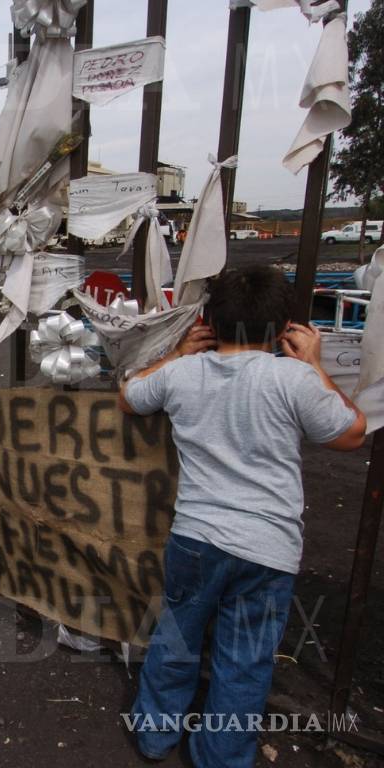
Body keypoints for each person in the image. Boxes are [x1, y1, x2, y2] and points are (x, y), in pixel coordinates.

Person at [117, 265, 367, 766]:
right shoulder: (294, 379)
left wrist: (178, 352)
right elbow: (352, 432)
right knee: (244, 662)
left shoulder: (183, 373)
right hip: (267, 548)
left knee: (177, 638)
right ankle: (222, 756)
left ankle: (154, 734)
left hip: (195, 540)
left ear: (209, 320)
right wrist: (315, 364)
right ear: (282, 329)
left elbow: (129, 397)